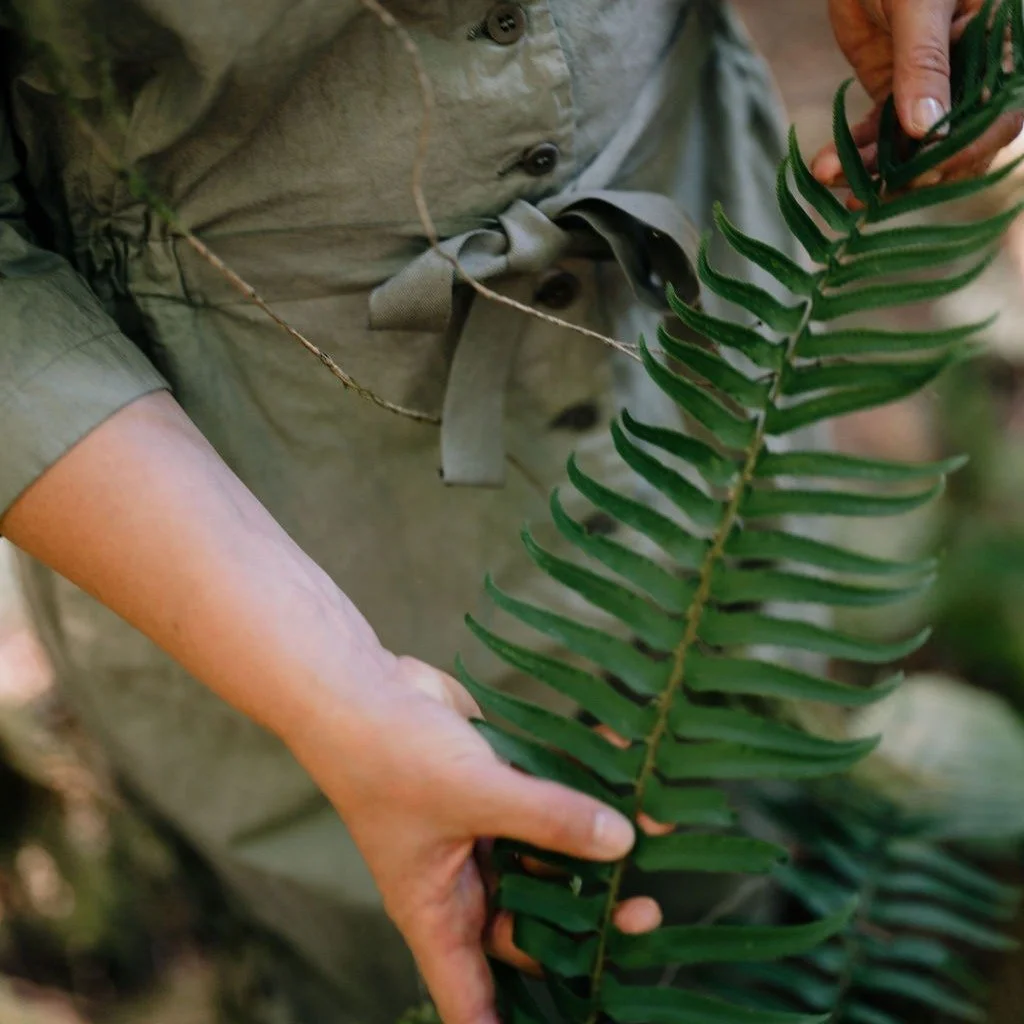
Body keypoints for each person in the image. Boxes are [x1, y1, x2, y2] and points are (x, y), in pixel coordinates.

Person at [0, 0, 1018, 1021]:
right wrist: (334, 691)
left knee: (737, 776)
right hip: (240, 455)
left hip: (698, 262)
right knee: (407, 921)